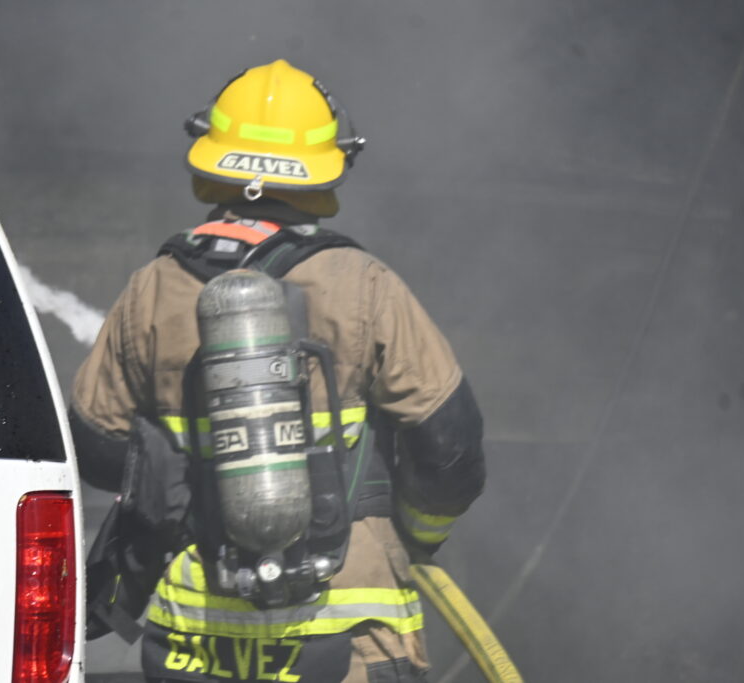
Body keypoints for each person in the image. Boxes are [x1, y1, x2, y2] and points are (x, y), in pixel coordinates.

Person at [71, 59, 486, 683]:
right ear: (324, 167)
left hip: (197, 635)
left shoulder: (153, 288)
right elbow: (451, 446)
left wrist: (188, 477)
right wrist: (415, 538)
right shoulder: (363, 285)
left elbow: (97, 445)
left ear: (212, 160)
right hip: (346, 630)